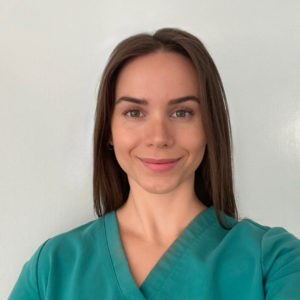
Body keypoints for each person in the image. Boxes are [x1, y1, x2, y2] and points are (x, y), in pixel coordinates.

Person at [8, 27, 300, 300]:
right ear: (108, 131)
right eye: (134, 113)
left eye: (182, 112)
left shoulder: (275, 261)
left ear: (211, 126)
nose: (159, 137)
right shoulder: (51, 268)